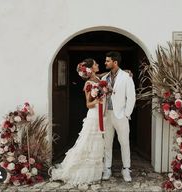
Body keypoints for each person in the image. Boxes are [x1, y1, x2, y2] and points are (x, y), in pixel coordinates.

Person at [50, 58, 105, 186]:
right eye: (96, 63)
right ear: (91, 68)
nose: (98, 64)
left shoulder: (98, 79)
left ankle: (95, 171)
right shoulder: (88, 84)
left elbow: (103, 75)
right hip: (94, 115)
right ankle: (80, 170)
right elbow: (88, 104)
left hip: (101, 114)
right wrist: (97, 100)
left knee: (96, 142)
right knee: (88, 142)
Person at [101, 51, 136, 182]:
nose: (105, 63)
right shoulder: (104, 78)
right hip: (107, 114)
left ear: (115, 62)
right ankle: (107, 168)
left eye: (107, 61)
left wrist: (126, 114)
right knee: (107, 142)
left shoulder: (126, 76)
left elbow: (131, 97)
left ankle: (126, 169)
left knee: (124, 142)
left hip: (121, 115)